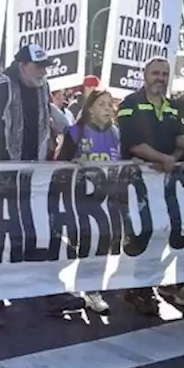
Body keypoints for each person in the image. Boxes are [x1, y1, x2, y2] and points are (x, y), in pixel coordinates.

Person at [0, 44, 56, 326]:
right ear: (20, 65)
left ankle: (35, 293)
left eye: (44, 67)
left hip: (30, 177)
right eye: (37, 66)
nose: (41, 72)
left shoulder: (42, 87)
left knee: (31, 236)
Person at [115, 56, 184, 314]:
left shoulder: (174, 108)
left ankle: (157, 284)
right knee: (141, 233)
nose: (160, 78)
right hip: (137, 181)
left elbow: (181, 142)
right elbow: (132, 141)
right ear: (145, 75)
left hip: (167, 180)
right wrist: (163, 158)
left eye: (165, 74)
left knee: (166, 230)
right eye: (155, 73)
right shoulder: (130, 103)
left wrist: (172, 158)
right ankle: (137, 290)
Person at [54, 87, 122, 314]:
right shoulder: (76, 131)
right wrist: (73, 163)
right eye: (101, 104)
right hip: (79, 198)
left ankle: (92, 290)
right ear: (90, 109)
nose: (107, 108)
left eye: (109, 104)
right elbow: (60, 162)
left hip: (106, 199)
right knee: (81, 244)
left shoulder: (115, 132)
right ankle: (72, 286)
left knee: (102, 244)